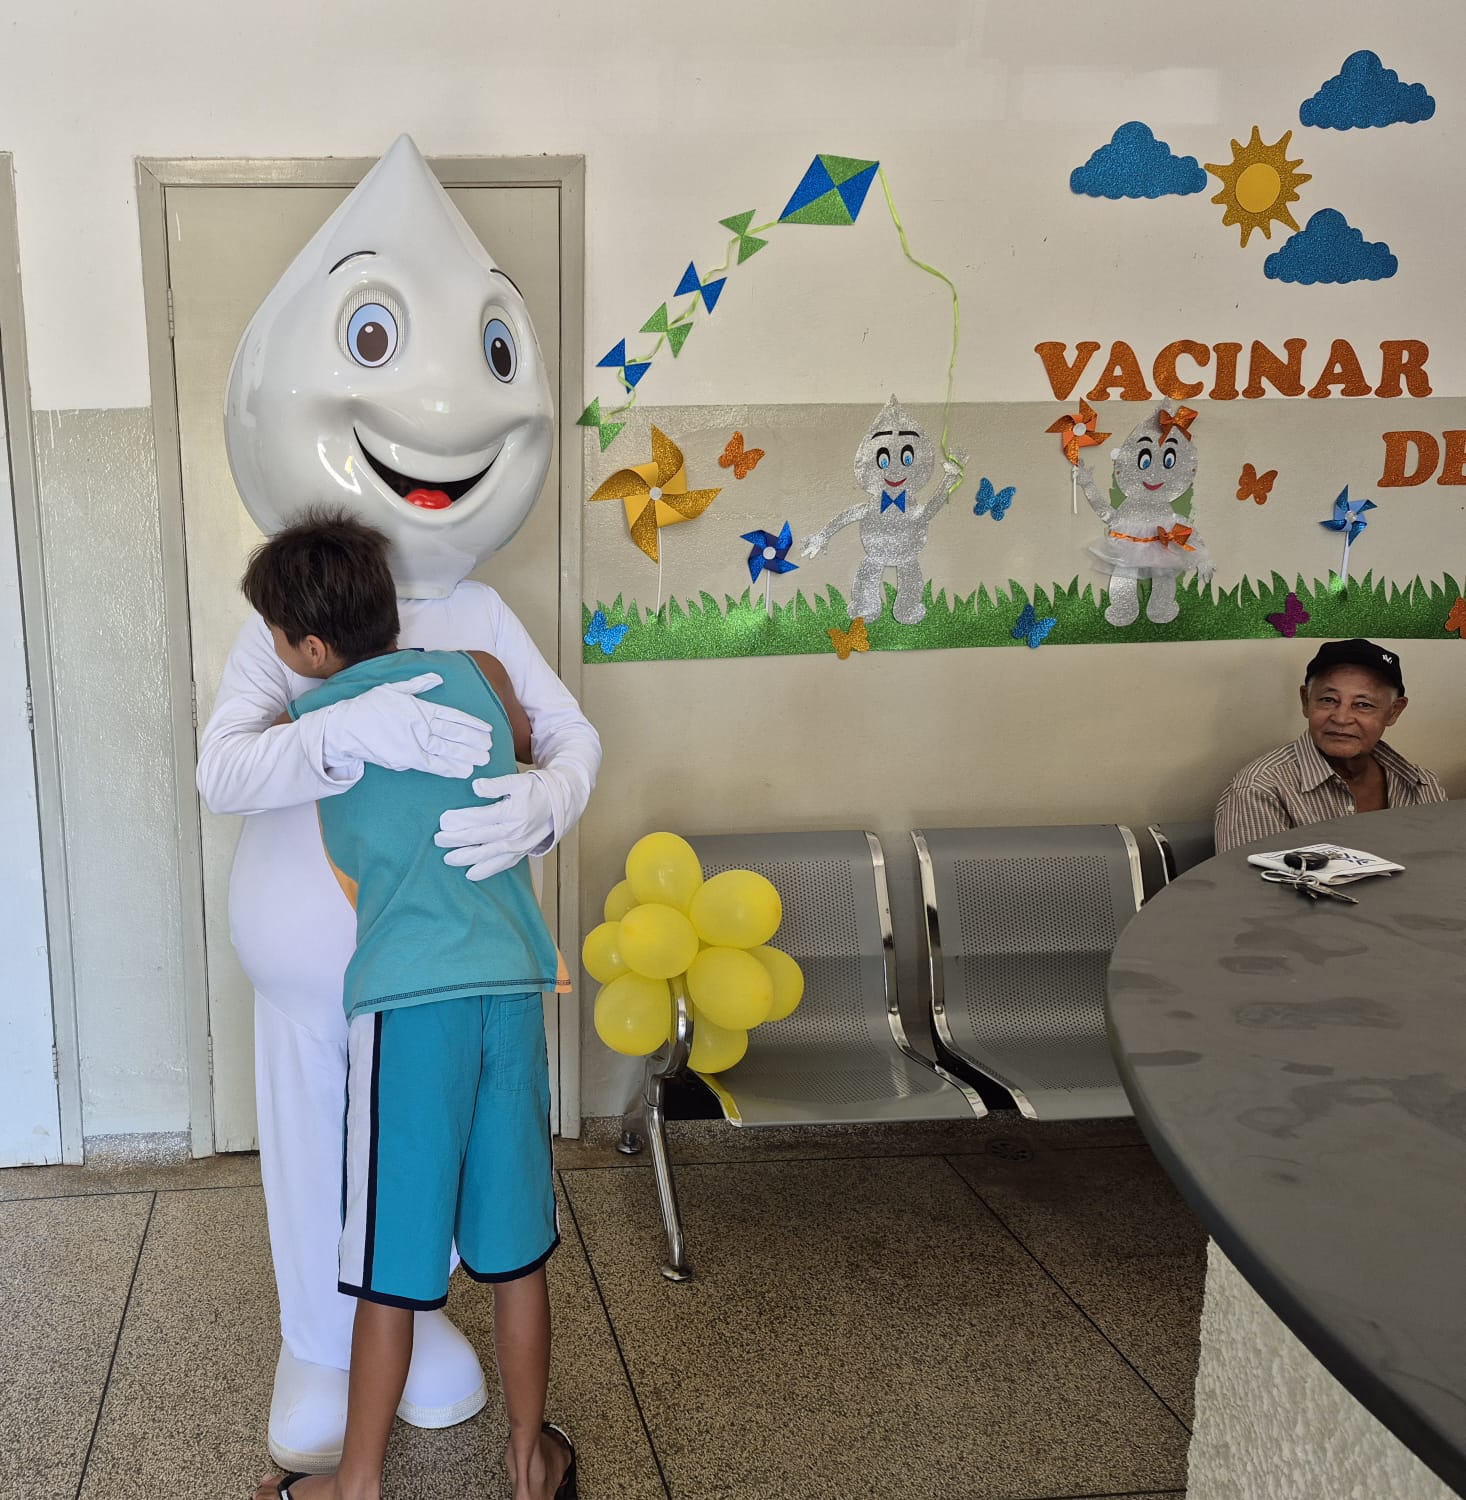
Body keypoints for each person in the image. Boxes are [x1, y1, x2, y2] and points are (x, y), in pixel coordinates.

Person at [199, 135, 601, 1469]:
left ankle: (410, 1330)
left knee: (419, 1169)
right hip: (349, 976)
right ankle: (318, 1345)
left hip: (434, 973)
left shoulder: (477, 616)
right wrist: (337, 732)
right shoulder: (287, 621)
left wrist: (547, 800)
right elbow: (225, 769)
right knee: (322, 1151)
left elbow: (571, 736)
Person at [242, 514, 576, 1500]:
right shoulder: (483, 673)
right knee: (515, 1249)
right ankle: (529, 1462)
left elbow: (236, 770)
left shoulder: (312, 728)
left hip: (407, 1007)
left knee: (389, 1264)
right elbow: (529, 742)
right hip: (512, 986)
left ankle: (355, 1485)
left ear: (310, 647)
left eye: (276, 635)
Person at [1214, 638, 1446, 853]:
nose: (1342, 718)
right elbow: (1249, 884)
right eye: (1328, 700)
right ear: (1306, 701)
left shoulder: (1420, 784)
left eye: (1363, 704)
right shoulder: (1260, 789)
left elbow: (1442, 866)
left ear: (1394, 712)